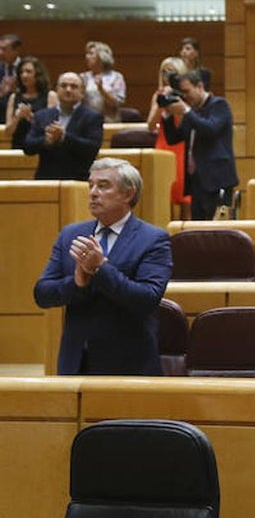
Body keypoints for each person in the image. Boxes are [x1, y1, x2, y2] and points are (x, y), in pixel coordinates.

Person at [33, 158, 172, 375]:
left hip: (129, 365)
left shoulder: (153, 239)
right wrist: (77, 283)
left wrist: (101, 269)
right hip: (76, 362)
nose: (93, 193)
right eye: (91, 185)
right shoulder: (71, 234)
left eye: (103, 185)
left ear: (128, 194)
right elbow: (42, 294)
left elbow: (147, 298)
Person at [161, 69, 238, 220]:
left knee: (218, 232)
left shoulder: (219, 105)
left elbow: (210, 129)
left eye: (187, 91)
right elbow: (173, 138)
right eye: (182, 93)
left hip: (217, 180)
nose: (185, 96)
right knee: (198, 230)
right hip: (197, 181)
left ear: (200, 87)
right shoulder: (192, 111)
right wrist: (167, 114)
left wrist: (187, 111)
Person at [24, 72, 103, 181]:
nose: (68, 90)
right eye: (64, 85)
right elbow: (28, 147)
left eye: (73, 86)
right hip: (46, 179)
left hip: (78, 181)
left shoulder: (93, 117)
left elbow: (92, 148)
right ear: (57, 90)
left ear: (82, 92)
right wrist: (46, 140)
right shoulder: (42, 115)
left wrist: (64, 137)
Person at [145, 56, 188, 211]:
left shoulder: (186, 95)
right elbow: (150, 126)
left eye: (171, 71)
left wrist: (174, 100)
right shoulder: (158, 95)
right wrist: (160, 103)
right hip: (163, 146)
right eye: (164, 71)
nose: (167, 75)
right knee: (164, 196)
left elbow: (185, 122)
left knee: (185, 198)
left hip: (181, 146)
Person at [4, 56, 58, 149]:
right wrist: (17, 117)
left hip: (42, 147)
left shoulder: (50, 96)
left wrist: (31, 117)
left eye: (28, 72)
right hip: (18, 147)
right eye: (21, 72)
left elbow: (51, 128)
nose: (24, 75)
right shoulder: (14, 97)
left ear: (38, 74)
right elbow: (8, 132)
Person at [80, 41, 126, 123]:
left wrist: (101, 89)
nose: (87, 57)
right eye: (87, 53)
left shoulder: (116, 77)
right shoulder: (83, 77)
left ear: (102, 56)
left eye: (91, 54)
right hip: (87, 122)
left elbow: (116, 103)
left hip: (109, 121)